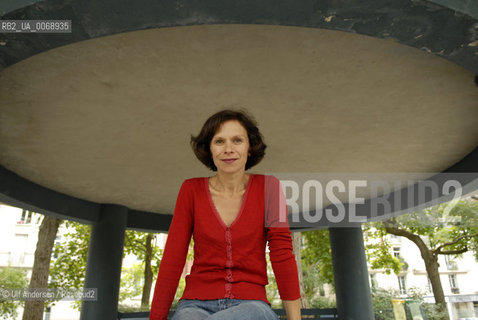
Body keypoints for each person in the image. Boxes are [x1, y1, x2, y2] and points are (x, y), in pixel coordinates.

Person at [150, 109, 301, 320]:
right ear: (209, 149)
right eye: (219, 141)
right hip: (194, 305)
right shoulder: (191, 190)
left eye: (237, 140)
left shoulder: (270, 188)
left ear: (249, 148)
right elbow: (173, 259)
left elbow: (282, 254)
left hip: (251, 306)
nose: (228, 149)